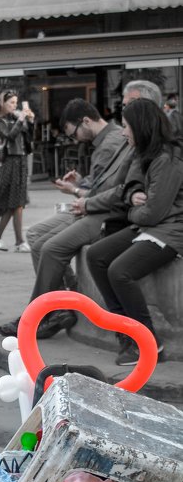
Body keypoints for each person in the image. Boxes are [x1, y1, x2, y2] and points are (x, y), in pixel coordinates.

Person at [0, 83, 162, 339]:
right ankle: (61, 305)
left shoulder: (134, 144)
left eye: (127, 108)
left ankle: (44, 312)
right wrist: (84, 192)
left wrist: (81, 197)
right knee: (43, 241)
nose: (122, 118)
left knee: (49, 246)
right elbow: (113, 185)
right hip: (106, 209)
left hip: (113, 216)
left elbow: (121, 190)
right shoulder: (127, 141)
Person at [86, 98, 183, 366]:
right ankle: (127, 334)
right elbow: (125, 187)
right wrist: (133, 195)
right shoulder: (144, 152)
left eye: (126, 126)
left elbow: (153, 212)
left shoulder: (168, 158)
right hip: (149, 225)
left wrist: (131, 211)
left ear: (140, 127)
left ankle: (150, 343)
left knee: (120, 271)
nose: (122, 131)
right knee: (96, 255)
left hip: (170, 230)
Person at [0, 89, 35, 252]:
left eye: (16, 103)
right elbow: (9, 136)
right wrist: (22, 119)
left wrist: (30, 121)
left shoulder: (17, 117)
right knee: (16, 203)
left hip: (21, 160)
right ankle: (18, 242)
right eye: (11, 102)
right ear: (2, 103)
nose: (14, 105)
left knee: (15, 204)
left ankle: (0, 239)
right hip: (10, 161)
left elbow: (28, 138)